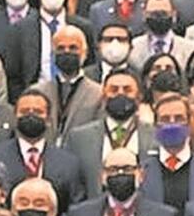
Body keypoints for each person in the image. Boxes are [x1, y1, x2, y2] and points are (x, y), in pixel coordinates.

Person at [0, 88, 87, 216]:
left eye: (38, 112)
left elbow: (76, 209)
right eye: (24, 111)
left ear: (49, 120)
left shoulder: (69, 163)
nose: (31, 115)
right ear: (14, 117)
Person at [65, 70, 159, 198]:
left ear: (139, 96)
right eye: (114, 90)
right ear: (103, 96)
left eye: (127, 90)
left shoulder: (156, 136)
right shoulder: (78, 138)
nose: (120, 94)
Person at [5, 0, 96, 98]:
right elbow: (13, 76)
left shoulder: (84, 27)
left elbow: (90, 66)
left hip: (75, 96)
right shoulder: (20, 29)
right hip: (34, 96)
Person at [141, 93, 194, 213]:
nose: (172, 124)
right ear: (156, 126)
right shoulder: (142, 170)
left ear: (189, 123)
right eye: (165, 119)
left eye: (179, 118)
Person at [28, 24, 105, 146]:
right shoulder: (37, 92)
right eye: (61, 48)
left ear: (84, 52)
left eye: (73, 48)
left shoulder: (99, 94)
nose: (66, 52)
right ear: (53, 54)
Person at [130, 0, 194, 71]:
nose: (158, 18)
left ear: (174, 15)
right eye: (154, 14)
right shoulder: (132, 48)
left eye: (163, 13)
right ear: (144, 15)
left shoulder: (191, 49)